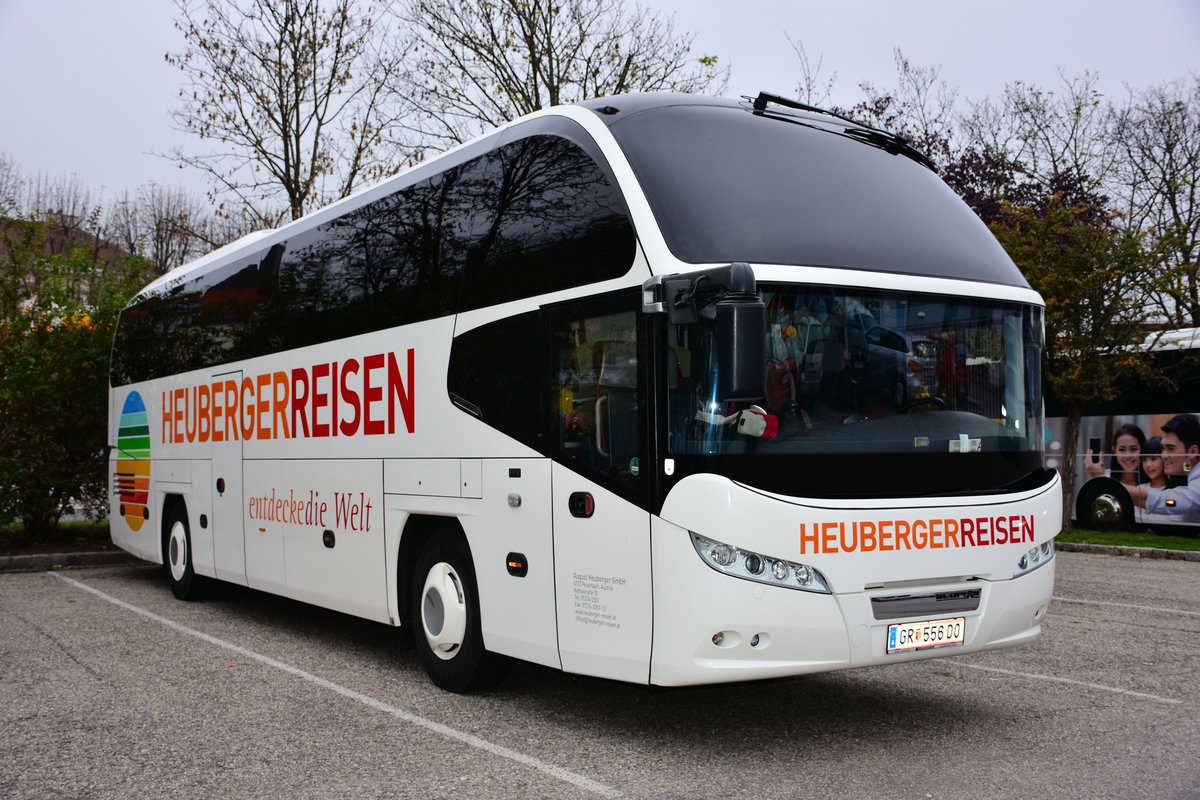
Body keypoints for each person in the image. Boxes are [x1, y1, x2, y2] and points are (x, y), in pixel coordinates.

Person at [1129, 414, 1200, 523]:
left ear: (1193, 451)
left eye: (1170, 448)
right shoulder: (1188, 474)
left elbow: (1170, 502)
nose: (1164, 456)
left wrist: (1115, 487)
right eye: (1163, 448)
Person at [1084, 422, 1145, 488]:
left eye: (1133, 449)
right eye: (1122, 450)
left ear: (1143, 449)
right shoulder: (1104, 477)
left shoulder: (1153, 479)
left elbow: (1146, 495)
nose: (1128, 456)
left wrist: (1100, 477)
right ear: (1114, 450)